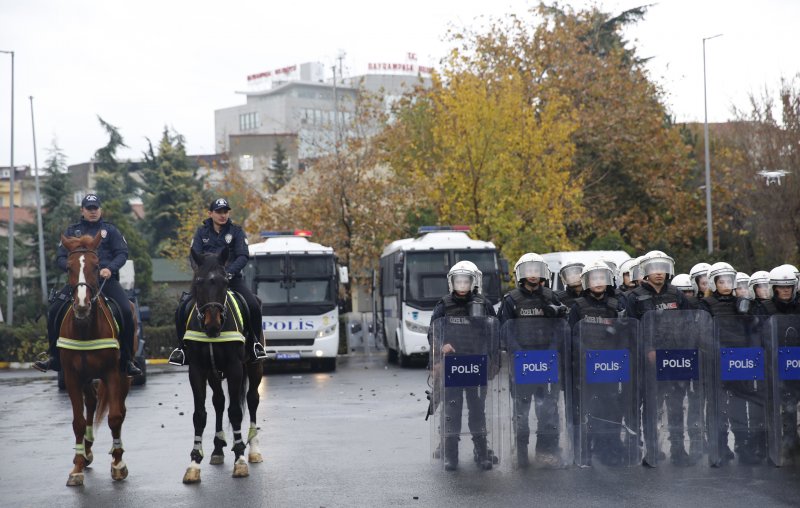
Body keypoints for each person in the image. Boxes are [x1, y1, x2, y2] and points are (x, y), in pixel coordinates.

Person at [33, 194, 141, 376]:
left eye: (95, 208)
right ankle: (54, 357)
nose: (93, 212)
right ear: (82, 210)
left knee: (125, 310)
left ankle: (127, 359)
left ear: (100, 210)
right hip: (79, 282)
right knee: (54, 311)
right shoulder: (71, 231)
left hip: (106, 281)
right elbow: (60, 256)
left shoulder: (110, 231)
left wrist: (110, 268)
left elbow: (122, 253)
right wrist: (70, 267)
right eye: (89, 208)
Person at [169, 198, 267, 365]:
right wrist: (202, 273)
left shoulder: (236, 231)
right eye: (219, 212)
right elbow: (194, 256)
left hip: (231, 280)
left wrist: (228, 272)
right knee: (182, 308)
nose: (223, 215)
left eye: (225, 212)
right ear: (211, 213)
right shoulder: (201, 232)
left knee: (253, 305)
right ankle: (182, 349)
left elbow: (243, 256)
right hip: (205, 284)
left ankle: (255, 345)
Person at [498, 253, 567, 467]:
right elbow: (505, 330)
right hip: (522, 362)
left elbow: (560, 327)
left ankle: (545, 450)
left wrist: (552, 350)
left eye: (537, 270)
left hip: (548, 361)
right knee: (521, 412)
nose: (533, 274)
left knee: (548, 410)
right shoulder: (511, 300)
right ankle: (520, 451)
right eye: (529, 270)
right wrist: (518, 353)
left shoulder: (551, 297)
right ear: (521, 274)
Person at [427, 260, 497, 471]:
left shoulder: (483, 304)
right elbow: (432, 332)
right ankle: (450, 454)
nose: (462, 285)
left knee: (477, 410)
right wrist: (441, 346)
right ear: (452, 282)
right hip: (452, 366)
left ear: (472, 282)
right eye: (458, 281)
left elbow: (494, 333)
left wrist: (492, 359)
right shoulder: (443, 304)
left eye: (466, 281)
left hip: (476, 364)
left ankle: (482, 452)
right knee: (452, 409)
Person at [626, 250, 691, 466]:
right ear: (645, 271)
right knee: (652, 406)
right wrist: (648, 349)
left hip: (675, 358)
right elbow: (631, 330)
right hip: (649, 361)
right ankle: (652, 450)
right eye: (654, 269)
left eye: (663, 269)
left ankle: (679, 449)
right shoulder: (633, 297)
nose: (659, 273)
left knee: (676, 405)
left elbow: (689, 322)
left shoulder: (676, 295)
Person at [700, 261, 762, 464]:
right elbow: (702, 332)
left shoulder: (742, 303)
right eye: (722, 281)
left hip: (740, 360)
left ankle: (743, 446)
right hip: (716, 359)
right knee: (717, 405)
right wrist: (716, 350)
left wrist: (746, 310)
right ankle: (719, 446)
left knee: (737, 403)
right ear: (713, 282)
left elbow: (753, 330)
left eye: (730, 280)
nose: (726, 284)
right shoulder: (706, 305)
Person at [568, 260, 628, 466]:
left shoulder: (616, 305)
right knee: (588, 408)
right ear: (586, 282)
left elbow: (625, 334)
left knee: (610, 407)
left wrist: (615, 355)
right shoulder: (578, 306)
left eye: (602, 277)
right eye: (594, 278)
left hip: (610, 366)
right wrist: (586, 355)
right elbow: (572, 335)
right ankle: (586, 447)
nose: (599, 282)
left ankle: (609, 448)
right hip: (586, 366)